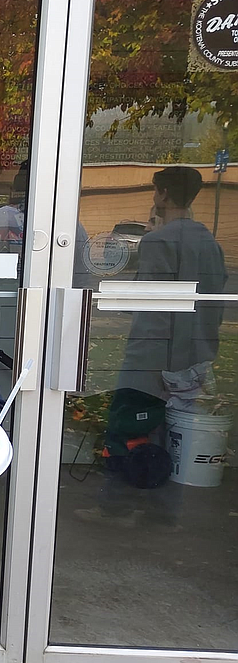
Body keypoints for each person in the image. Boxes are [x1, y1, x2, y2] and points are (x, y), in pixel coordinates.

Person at [81, 165, 226, 504]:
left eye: (155, 191)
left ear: (162, 194)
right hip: (199, 344)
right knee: (176, 415)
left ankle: (130, 467)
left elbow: (145, 298)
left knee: (134, 410)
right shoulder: (209, 242)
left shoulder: (159, 240)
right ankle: (165, 464)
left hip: (155, 347)